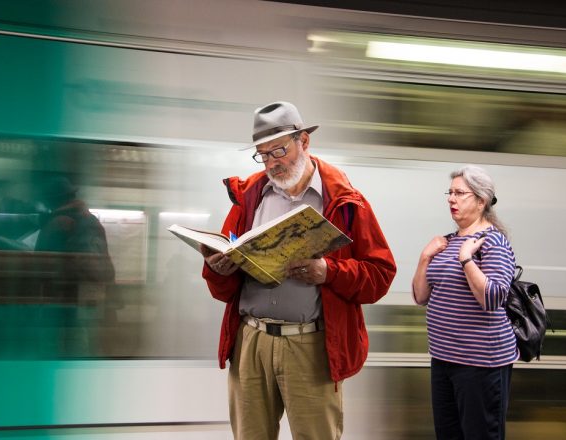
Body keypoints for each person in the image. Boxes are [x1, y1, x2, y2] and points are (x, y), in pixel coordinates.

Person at [201, 101, 396, 439]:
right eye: (263, 154)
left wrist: (329, 271)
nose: (272, 162)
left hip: (312, 346)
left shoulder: (345, 201)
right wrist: (219, 268)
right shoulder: (249, 199)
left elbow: (379, 276)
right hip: (251, 342)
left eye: (279, 150)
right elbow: (223, 290)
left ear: (304, 142)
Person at [412, 165, 517, 440]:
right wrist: (425, 257)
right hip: (444, 359)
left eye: (459, 193)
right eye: (450, 192)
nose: (451, 199)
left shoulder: (493, 242)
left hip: (481, 364)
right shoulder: (446, 242)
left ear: (481, 201)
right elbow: (421, 297)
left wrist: (467, 259)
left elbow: (493, 298)